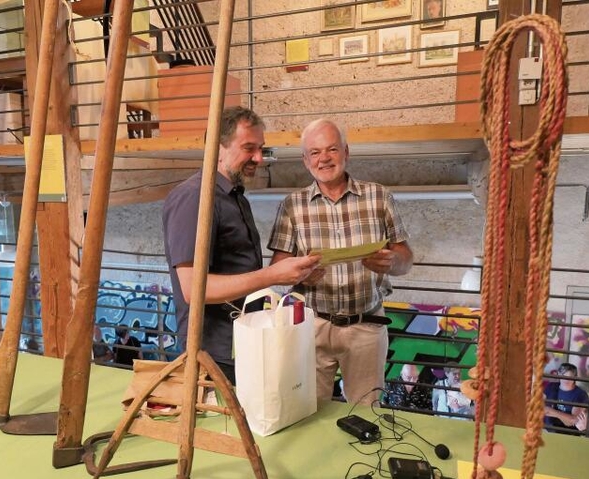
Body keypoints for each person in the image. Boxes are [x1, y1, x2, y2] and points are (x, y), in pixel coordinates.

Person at [162, 106, 321, 385]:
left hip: (240, 341)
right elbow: (192, 289)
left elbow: (240, 273)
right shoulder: (194, 198)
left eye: (260, 148)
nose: (258, 158)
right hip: (213, 351)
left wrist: (291, 273)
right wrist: (274, 275)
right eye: (249, 148)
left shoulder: (234, 196)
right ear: (217, 147)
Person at [268, 118, 413, 405]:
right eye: (315, 152)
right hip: (312, 326)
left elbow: (406, 260)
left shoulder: (379, 197)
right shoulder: (291, 205)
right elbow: (277, 269)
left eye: (332, 149)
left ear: (346, 152)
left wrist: (392, 262)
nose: (324, 159)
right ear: (305, 160)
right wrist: (300, 277)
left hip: (366, 326)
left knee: (366, 414)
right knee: (308, 410)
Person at [543, 362, 589, 434]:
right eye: (563, 375)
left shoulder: (580, 394)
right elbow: (539, 404)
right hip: (546, 430)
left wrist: (551, 411)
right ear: (558, 374)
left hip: (567, 434)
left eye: (569, 377)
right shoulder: (551, 386)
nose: (566, 379)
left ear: (575, 378)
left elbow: (573, 420)